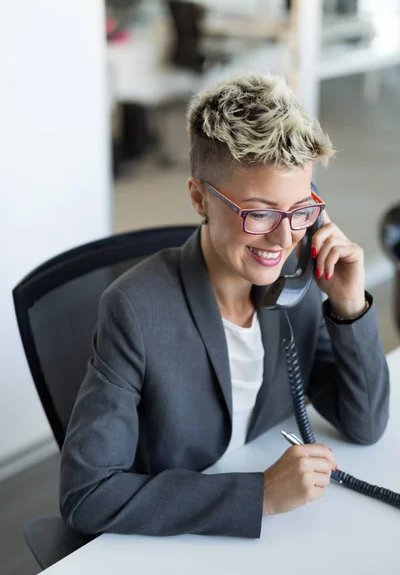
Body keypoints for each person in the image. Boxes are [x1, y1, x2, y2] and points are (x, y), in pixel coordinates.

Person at [60, 74, 389, 539]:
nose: (284, 238)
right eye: (260, 212)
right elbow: (87, 494)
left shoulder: (296, 286)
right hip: (179, 543)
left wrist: (349, 307)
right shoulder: (136, 309)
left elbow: (365, 425)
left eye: (301, 209)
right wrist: (261, 495)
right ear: (199, 198)